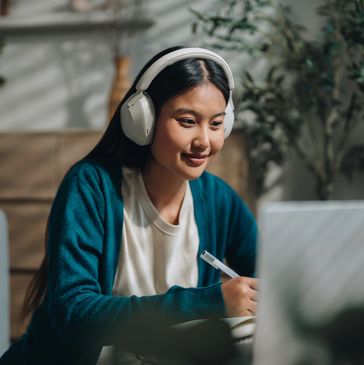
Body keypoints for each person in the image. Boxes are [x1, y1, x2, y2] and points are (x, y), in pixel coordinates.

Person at [0, 46, 258, 365]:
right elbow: (74, 313)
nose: (204, 141)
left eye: (216, 124)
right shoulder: (91, 186)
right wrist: (208, 302)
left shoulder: (220, 200)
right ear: (143, 119)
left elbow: (270, 278)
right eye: (188, 121)